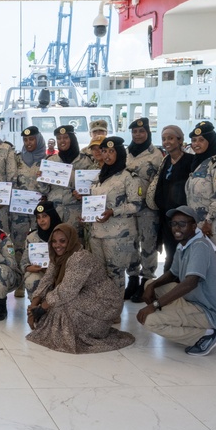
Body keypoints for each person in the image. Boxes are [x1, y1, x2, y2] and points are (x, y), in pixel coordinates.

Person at [27, 223, 134, 353]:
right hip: (85, 296)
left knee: (59, 306)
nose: (57, 245)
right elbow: (47, 280)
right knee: (51, 303)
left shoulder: (79, 258)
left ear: (71, 240)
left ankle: (95, 329)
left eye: (62, 241)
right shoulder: (57, 257)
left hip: (104, 303)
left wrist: (41, 309)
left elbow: (65, 292)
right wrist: (33, 308)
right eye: (54, 241)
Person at [137, 206, 216, 356]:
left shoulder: (199, 246)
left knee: (150, 320)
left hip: (208, 311)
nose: (176, 228)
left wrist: (155, 305)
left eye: (182, 224)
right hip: (192, 300)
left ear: (194, 226)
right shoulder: (184, 244)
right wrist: (152, 285)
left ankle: (205, 336)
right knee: (150, 285)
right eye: (173, 224)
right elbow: (173, 273)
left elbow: (190, 282)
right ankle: (175, 317)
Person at [185, 121, 216, 300]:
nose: (196, 144)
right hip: (199, 227)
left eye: (201, 140)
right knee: (202, 267)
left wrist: (208, 221)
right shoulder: (198, 163)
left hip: (215, 227)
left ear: (211, 141)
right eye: (194, 140)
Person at [86, 136, 142, 286]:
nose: (106, 155)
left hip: (117, 235)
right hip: (97, 233)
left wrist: (113, 211)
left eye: (111, 151)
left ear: (119, 153)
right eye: (104, 151)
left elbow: (136, 205)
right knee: (99, 275)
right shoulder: (99, 176)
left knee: (115, 275)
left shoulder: (129, 176)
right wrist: (87, 215)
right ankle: (103, 308)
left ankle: (116, 308)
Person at [125, 118, 164, 301]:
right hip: (129, 207)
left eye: (141, 131)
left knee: (148, 244)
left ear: (148, 132)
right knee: (131, 243)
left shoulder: (157, 155)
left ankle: (147, 282)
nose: (138, 135)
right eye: (134, 132)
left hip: (148, 208)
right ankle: (132, 279)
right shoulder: (126, 153)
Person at [151, 125, 194, 271]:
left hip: (185, 218)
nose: (166, 142)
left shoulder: (190, 161)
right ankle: (169, 289)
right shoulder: (166, 161)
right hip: (167, 218)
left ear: (180, 140)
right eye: (164, 139)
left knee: (185, 254)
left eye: (170, 138)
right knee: (170, 255)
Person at [12, 126, 48, 285]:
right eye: (25, 140)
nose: (28, 143)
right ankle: (20, 281)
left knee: (40, 244)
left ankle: (43, 281)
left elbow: (49, 189)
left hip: (39, 213)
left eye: (32, 139)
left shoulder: (48, 162)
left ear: (38, 139)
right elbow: (11, 183)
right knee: (19, 246)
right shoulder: (17, 160)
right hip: (19, 213)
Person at [41, 125, 94, 226]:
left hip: (76, 213)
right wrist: (41, 179)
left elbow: (92, 189)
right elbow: (44, 190)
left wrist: (83, 196)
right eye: (59, 138)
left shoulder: (85, 161)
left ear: (72, 139)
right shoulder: (51, 161)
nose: (62, 141)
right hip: (55, 213)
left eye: (66, 137)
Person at [20, 199, 62, 297]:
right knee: (32, 280)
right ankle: (36, 308)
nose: (41, 220)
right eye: (38, 217)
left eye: (44, 216)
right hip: (40, 274)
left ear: (52, 216)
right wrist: (29, 267)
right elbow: (23, 263)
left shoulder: (64, 234)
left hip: (61, 274)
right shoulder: (32, 237)